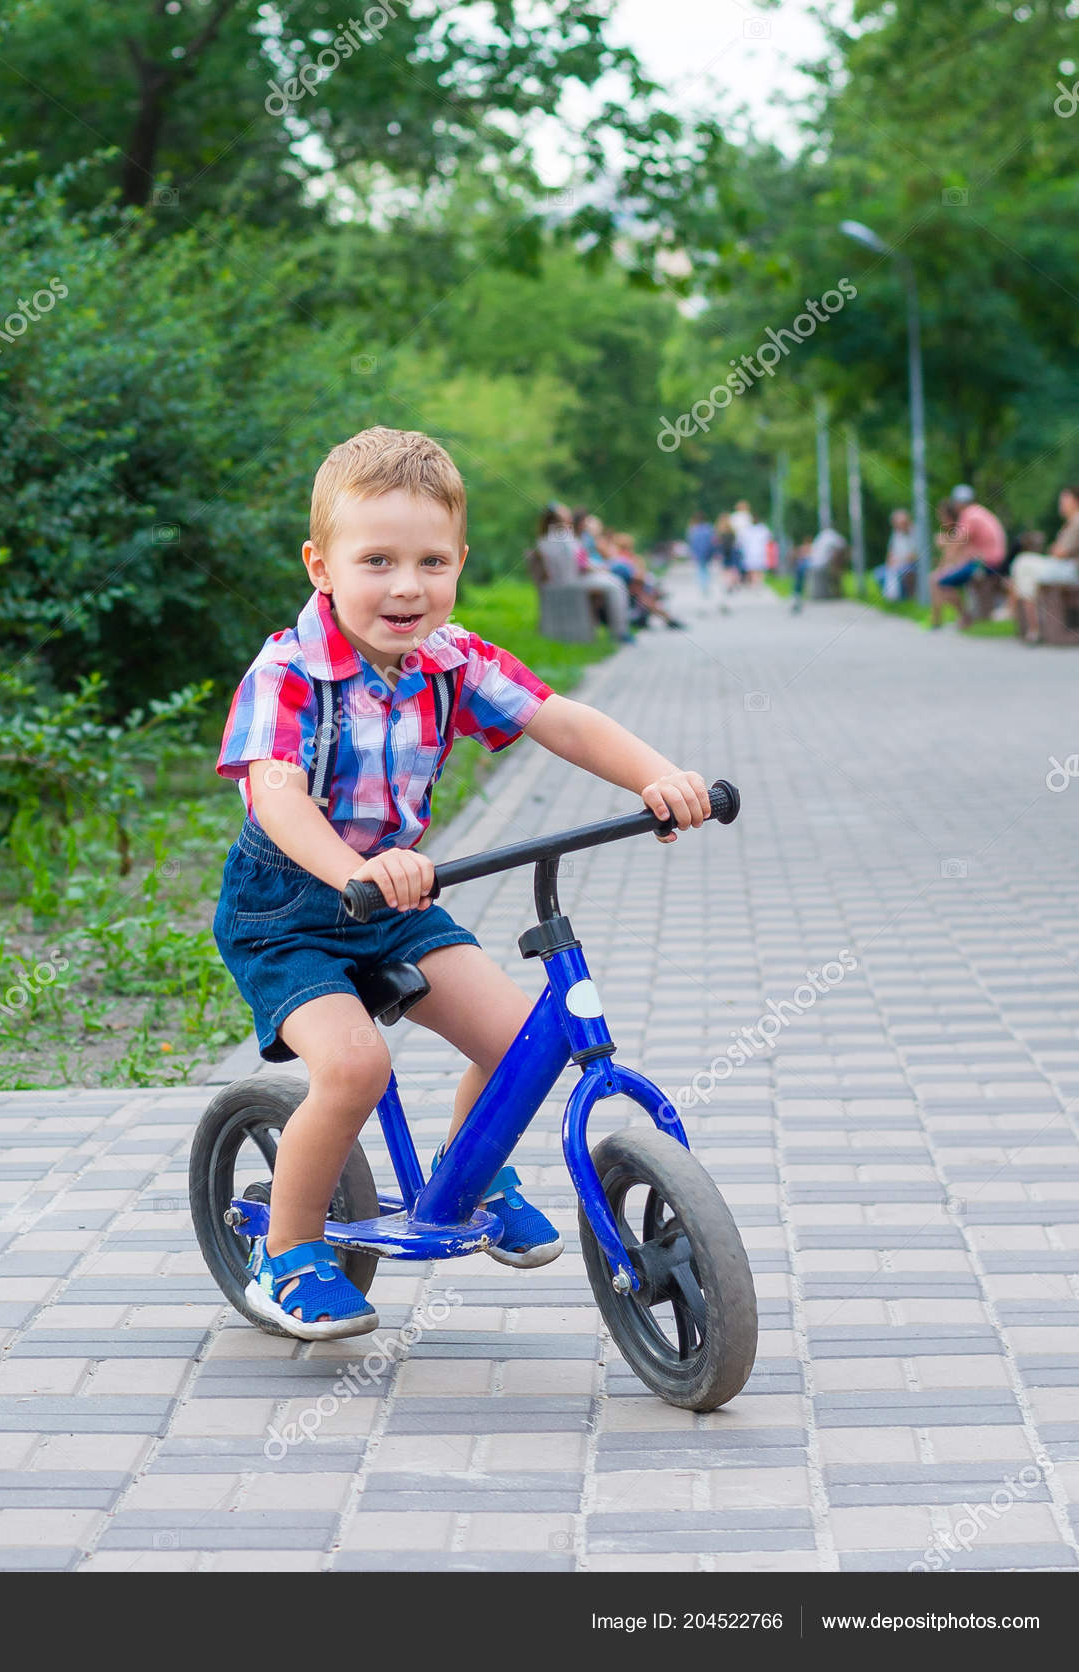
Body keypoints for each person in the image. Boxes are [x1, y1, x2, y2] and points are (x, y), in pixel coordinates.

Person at [214, 426, 712, 1338]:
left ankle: (474, 1169)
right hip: (288, 913)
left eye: (431, 561)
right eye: (377, 561)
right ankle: (283, 1255)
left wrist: (657, 776)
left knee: (526, 1041)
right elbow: (275, 797)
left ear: (460, 563)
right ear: (321, 565)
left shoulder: (455, 658)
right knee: (356, 1067)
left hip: (396, 906)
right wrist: (355, 868)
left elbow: (560, 718)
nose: (407, 586)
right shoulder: (288, 670)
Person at [529, 503, 633, 642]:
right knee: (616, 584)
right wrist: (599, 569)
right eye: (567, 515)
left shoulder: (545, 539)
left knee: (613, 581)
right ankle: (620, 632)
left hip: (561, 581)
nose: (570, 517)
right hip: (571, 582)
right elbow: (579, 565)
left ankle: (617, 629)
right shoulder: (564, 538)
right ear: (559, 519)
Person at [929, 484, 1007, 629]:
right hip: (993, 560)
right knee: (941, 577)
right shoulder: (980, 512)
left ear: (958, 503)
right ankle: (952, 618)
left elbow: (956, 545)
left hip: (986, 563)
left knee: (941, 581)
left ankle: (964, 617)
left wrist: (943, 546)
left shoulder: (969, 515)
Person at [1009, 486, 1079, 642]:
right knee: (1023, 566)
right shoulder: (1070, 522)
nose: (1061, 504)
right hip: (1065, 567)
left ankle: (1028, 622)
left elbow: (1060, 552)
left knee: (1023, 563)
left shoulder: (1077, 521)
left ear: (1075, 501)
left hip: (1071, 570)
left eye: (1065, 500)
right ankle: (1031, 625)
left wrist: (1055, 549)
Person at [789, 525, 849, 613]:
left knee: (800, 569)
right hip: (816, 561)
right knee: (800, 568)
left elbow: (842, 545)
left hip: (818, 563)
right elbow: (842, 544)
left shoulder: (828, 535)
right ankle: (796, 594)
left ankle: (796, 594)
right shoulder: (828, 536)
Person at [877, 510, 917, 602]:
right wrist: (890, 562)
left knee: (903, 571)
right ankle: (894, 599)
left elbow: (915, 555)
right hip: (897, 564)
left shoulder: (915, 533)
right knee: (879, 573)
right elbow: (890, 553)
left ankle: (906, 598)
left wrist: (899, 561)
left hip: (911, 564)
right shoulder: (896, 534)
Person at [685, 513, 715, 597]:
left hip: (698, 552)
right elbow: (712, 541)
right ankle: (706, 585)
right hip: (707, 552)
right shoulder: (708, 528)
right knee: (706, 569)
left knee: (700, 569)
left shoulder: (693, 529)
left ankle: (703, 586)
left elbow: (691, 542)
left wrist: (692, 552)